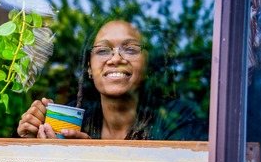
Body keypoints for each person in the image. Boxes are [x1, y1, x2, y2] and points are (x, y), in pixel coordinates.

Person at [17, 19, 206, 140]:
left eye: (130, 49)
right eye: (102, 50)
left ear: (148, 65)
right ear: (90, 68)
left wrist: (86, 159)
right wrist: (33, 143)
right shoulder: (75, 117)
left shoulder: (178, 118)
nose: (115, 59)